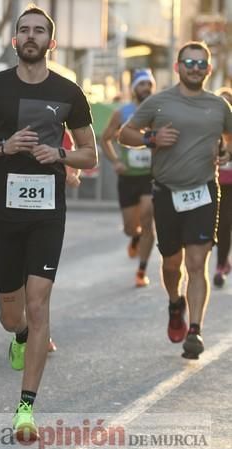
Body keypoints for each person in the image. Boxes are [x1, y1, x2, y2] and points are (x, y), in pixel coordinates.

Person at [0, 6, 97, 441]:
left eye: (40, 31)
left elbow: (90, 155)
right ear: (15, 40)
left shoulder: (69, 92)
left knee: (39, 306)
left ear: (50, 43)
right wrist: (3, 148)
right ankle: (17, 335)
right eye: (25, 30)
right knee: (11, 314)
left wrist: (58, 155)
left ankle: (25, 409)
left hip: (47, 215)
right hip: (3, 213)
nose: (32, 36)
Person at [119, 41, 232, 359]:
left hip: (204, 191)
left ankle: (195, 331)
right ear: (178, 66)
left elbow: (229, 138)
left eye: (201, 64)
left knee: (198, 264)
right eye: (189, 63)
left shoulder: (219, 106)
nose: (195, 68)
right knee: (172, 264)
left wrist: (225, 151)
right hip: (167, 192)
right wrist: (150, 139)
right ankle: (174, 303)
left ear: (208, 69)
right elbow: (125, 135)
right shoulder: (159, 103)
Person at [101, 69, 157, 287]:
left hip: (150, 176)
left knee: (147, 216)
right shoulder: (122, 113)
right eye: (141, 84)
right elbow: (106, 139)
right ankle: (135, 237)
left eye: (149, 85)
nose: (146, 89)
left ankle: (141, 271)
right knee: (130, 227)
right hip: (128, 177)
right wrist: (116, 161)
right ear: (134, 88)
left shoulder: (158, 111)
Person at [213, 87, 232, 287]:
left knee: (226, 224)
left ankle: (221, 264)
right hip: (213, 183)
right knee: (219, 225)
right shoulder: (210, 128)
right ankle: (222, 262)